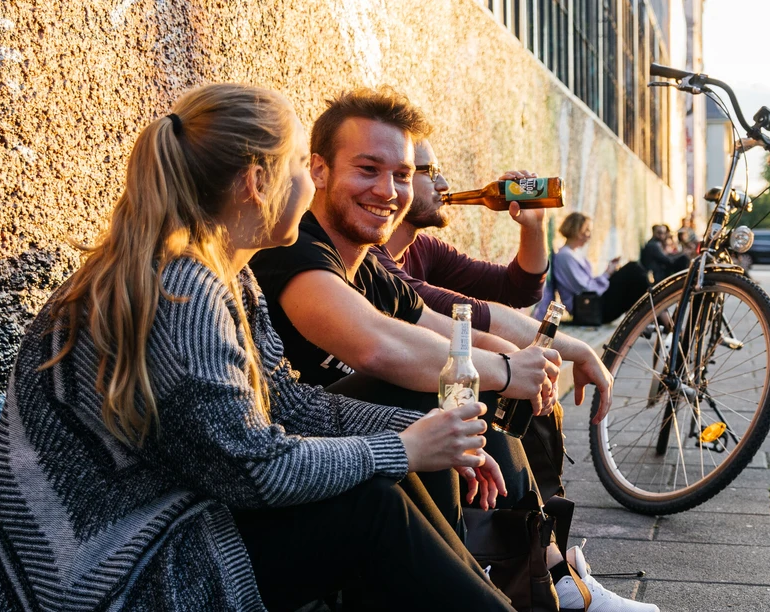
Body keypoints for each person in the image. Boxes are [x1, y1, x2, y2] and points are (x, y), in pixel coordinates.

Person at [0, 83, 514, 611]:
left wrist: (423, 439)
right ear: (258, 182)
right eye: (302, 165)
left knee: (391, 469)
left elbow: (287, 401)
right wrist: (406, 448)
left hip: (165, 522)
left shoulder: (226, 272)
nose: (312, 182)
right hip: (104, 578)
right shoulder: (183, 291)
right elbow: (257, 468)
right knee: (369, 507)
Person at [248, 89, 653, 612]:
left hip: (343, 451)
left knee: (455, 396)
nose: (388, 190)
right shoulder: (296, 249)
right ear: (318, 170)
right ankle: (529, 575)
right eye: (368, 169)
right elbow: (380, 346)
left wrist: (546, 356)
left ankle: (531, 572)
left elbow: (455, 326)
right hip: (293, 469)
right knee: (433, 392)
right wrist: (506, 369)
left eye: (400, 174)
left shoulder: (367, 262)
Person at [373, 139, 614, 425]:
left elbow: (518, 290)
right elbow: (476, 315)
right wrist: (580, 351)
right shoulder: (374, 259)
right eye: (432, 172)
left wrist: (534, 226)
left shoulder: (423, 248)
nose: (445, 185)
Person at [549, 212, 653, 324]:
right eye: (587, 230)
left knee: (636, 278)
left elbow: (590, 285)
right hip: (590, 310)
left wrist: (609, 272)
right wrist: (608, 273)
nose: (589, 235)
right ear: (576, 231)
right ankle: (659, 315)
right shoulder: (565, 256)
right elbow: (587, 289)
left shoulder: (575, 254)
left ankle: (651, 316)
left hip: (594, 305)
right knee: (633, 269)